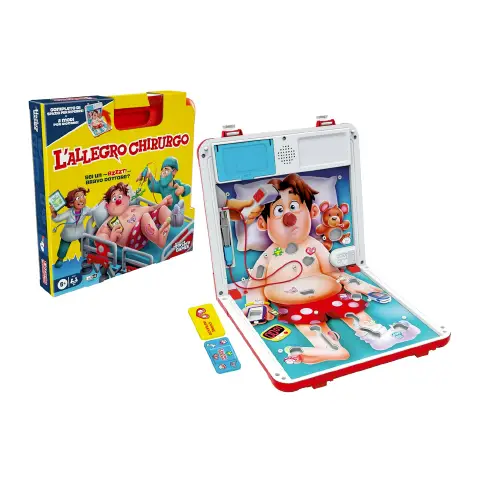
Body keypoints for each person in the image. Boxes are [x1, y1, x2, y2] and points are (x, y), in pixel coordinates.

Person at [244, 174, 419, 364]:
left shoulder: (314, 245)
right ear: (263, 223)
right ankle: (329, 349)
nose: (289, 218)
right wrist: (256, 305)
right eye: (279, 211)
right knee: (311, 326)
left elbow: (333, 272)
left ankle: (378, 335)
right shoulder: (268, 256)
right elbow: (256, 284)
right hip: (294, 304)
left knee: (353, 311)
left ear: (312, 211)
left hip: (332, 295)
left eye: (294, 207)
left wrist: (356, 284)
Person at [50, 187, 93, 268]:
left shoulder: (85, 209)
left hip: (81, 232)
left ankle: (87, 255)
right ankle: (60, 259)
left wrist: (100, 204)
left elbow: (92, 212)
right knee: (63, 249)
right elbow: (58, 219)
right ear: (71, 203)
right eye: (78, 198)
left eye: (83, 196)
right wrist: (53, 213)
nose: (81, 200)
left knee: (86, 243)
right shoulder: (69, 213)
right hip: (68, 235)